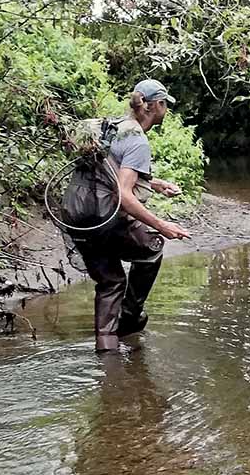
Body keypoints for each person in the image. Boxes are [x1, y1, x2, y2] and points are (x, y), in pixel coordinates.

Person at [80, 79, 192, 352]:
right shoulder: (138, 140)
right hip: (107, 219)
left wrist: (154, 183)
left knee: (111, 281)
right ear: (155, 106)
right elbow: (124, 195)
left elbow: (109, 175)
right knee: (152, 248)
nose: (166, 110)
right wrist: (162, 225)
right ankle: (130, 318)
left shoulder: (113, 128)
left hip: (79, 217)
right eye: (165, 104)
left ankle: (107, 356)